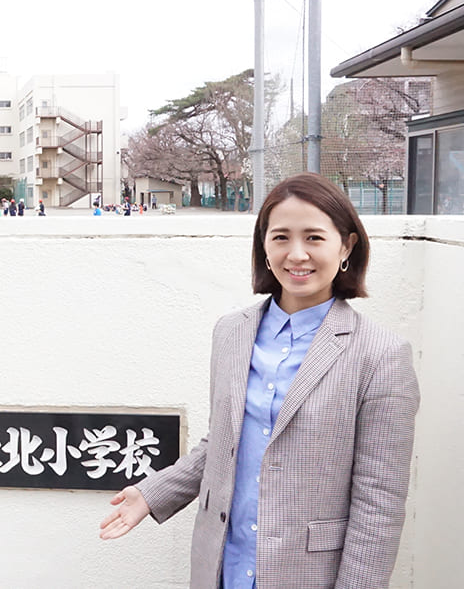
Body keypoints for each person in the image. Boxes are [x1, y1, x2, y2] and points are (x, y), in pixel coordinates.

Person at [99, 172, 419, 589]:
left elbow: (379, 503)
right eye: (281, 237)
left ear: (346, 246)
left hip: (308, 576)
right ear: (264, 247)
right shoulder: (232, 332)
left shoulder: (381, 355)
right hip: (223, 566)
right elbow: (223, 444)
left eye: (314, 238)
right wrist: (152, 493)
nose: (297, 254)